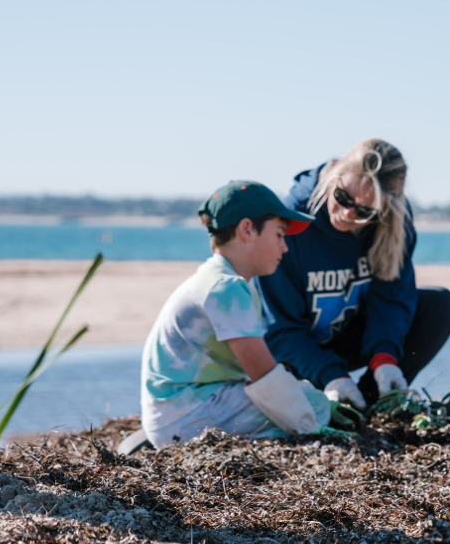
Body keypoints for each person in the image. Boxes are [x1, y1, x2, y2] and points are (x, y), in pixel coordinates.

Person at [140, 181, 353, 448]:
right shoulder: (226, 288)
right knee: (314, 403)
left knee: (302, 394)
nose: (285, 247)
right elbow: (263, 375)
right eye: (279, 234)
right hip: (185, 417)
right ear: (247, 229)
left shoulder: (215, 279)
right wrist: (314, 426)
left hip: (174, 414)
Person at [259, 140, 450, 408]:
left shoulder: (396, 221)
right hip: (292, 350)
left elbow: (392, 298)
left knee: (440, 307)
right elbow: (278, 326)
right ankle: (333, 392)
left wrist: (385, 358)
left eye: (364, 211)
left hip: (346, 334)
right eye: (342, 197)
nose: (346, 213)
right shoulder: (292, 218)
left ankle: (372, 401)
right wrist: (332, 376)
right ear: (336, 171)